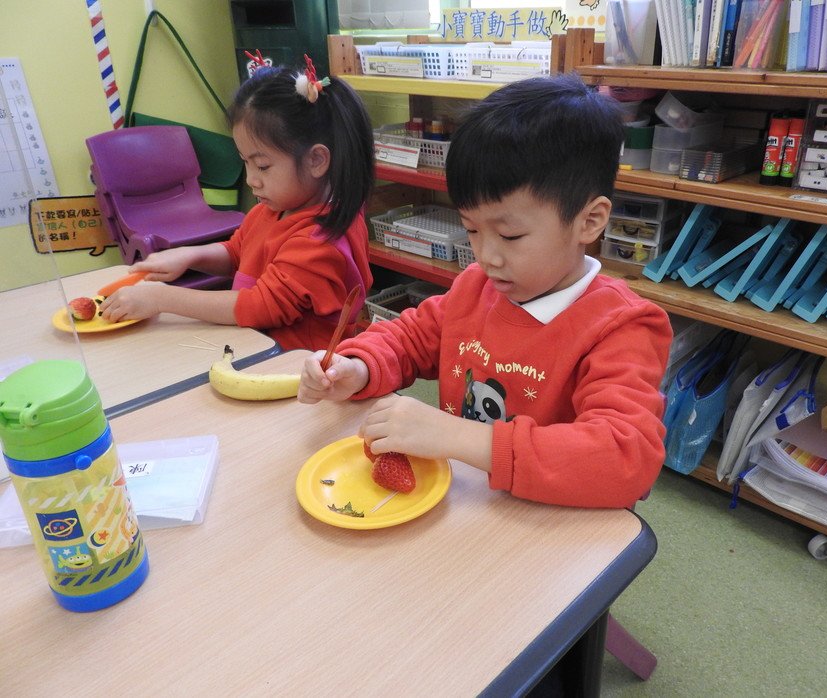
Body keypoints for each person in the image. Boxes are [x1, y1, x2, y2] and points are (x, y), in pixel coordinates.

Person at [299, 74, 672, 508]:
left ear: (589, 222)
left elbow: (624, 458)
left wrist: (456, 435)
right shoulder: (476, 288)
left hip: (555, 524)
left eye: (510, 236)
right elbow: (411, 338)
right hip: (474, 508)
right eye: (472, 230)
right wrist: (357, 367)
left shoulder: (623, 327)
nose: (486, 256)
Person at [100, 55, 375, 351]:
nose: (251, 180)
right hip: (255, 347)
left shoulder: (320, 242)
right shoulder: (271, 211)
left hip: (295, 367)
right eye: (246, 162)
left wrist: (161, 298)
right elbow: (237, 252)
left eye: (263, 166)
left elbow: (260, 306)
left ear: (316, 160)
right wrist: (188, 256)